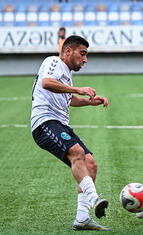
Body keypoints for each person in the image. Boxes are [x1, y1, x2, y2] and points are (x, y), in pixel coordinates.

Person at [31, 35, 110, 230]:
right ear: (68, 51)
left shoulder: (66, 73)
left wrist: (90, 101)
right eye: (82, 54)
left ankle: (82, 218)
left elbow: (69, 99)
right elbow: (47, 83)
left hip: (60, 124)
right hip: (44, 122)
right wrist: (79, 88)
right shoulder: (53, 61)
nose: (85, 59)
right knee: (77, 152)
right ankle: (94, 198)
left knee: (90, 164)